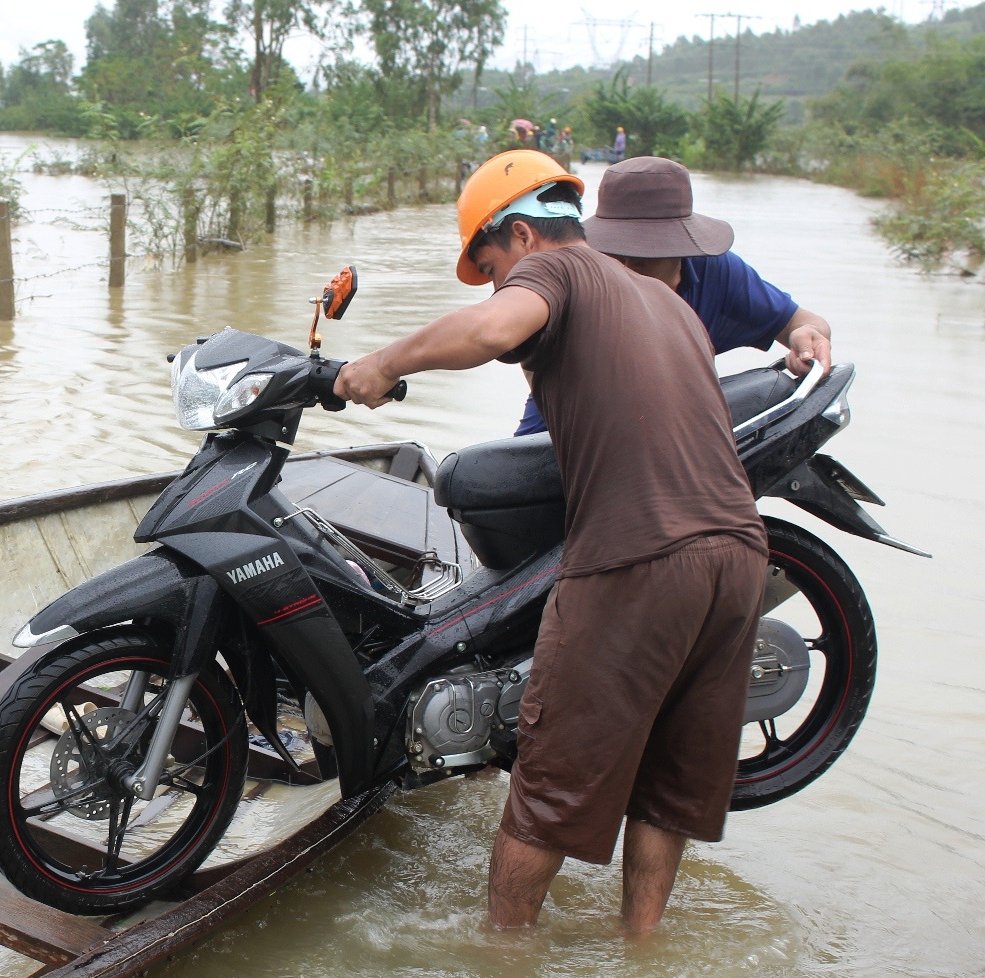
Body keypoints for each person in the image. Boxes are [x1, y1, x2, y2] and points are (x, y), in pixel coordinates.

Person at [333, 150, 767, 933]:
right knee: (667, 789)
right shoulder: (667, 301)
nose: (501, 283)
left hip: (639, 561)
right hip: (737, 559)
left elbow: (498, 326)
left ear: (524, 236)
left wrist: (383, 362)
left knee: (545, 796)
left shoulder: (559, 271)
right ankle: (642, 955)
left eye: (494, 264)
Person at [514, 156, 833, 436]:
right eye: (614, 254)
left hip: (674, 440)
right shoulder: (575, 274)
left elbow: (800, 322)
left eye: (642, 258)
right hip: (568, 436)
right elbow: (528, 355)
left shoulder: (716, 274)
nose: (626, 269)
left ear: (682, 250)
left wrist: (806, 340)